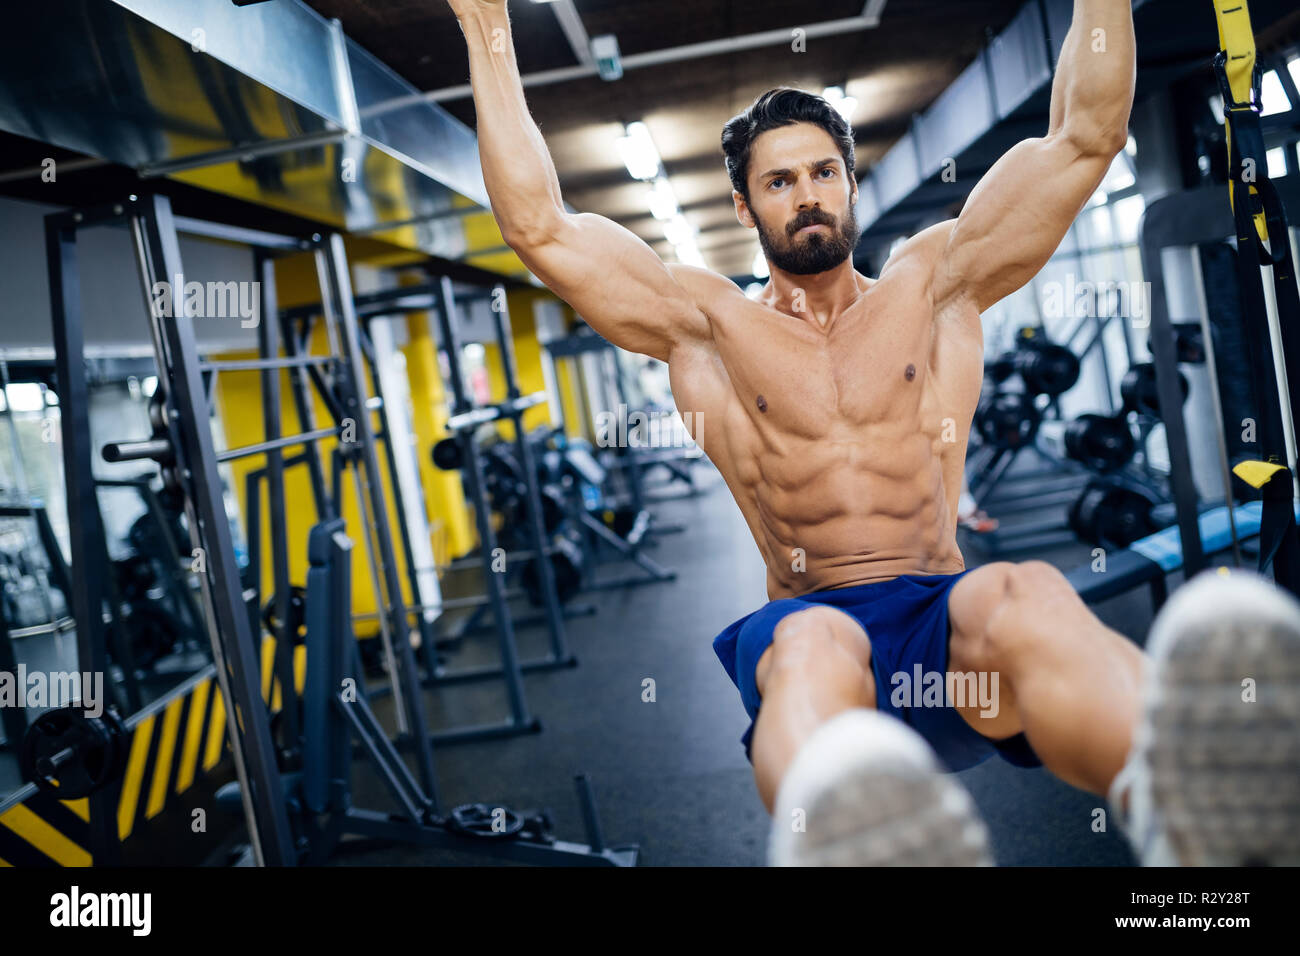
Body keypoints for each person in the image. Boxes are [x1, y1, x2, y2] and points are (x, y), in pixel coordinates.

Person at [444, 0, 1300, 865]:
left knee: (1028, 593)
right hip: (816, 626)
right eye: (779, 182)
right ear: (744, 208)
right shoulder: (702, 324)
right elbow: (540, 227)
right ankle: (853, 837)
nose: (807, 195)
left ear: (851, 183)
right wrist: (489, 27)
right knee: (811, 644)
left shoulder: (935, 285)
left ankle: (1183, 806)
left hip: (945, 634)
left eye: (823, 172)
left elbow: (1083, 138)